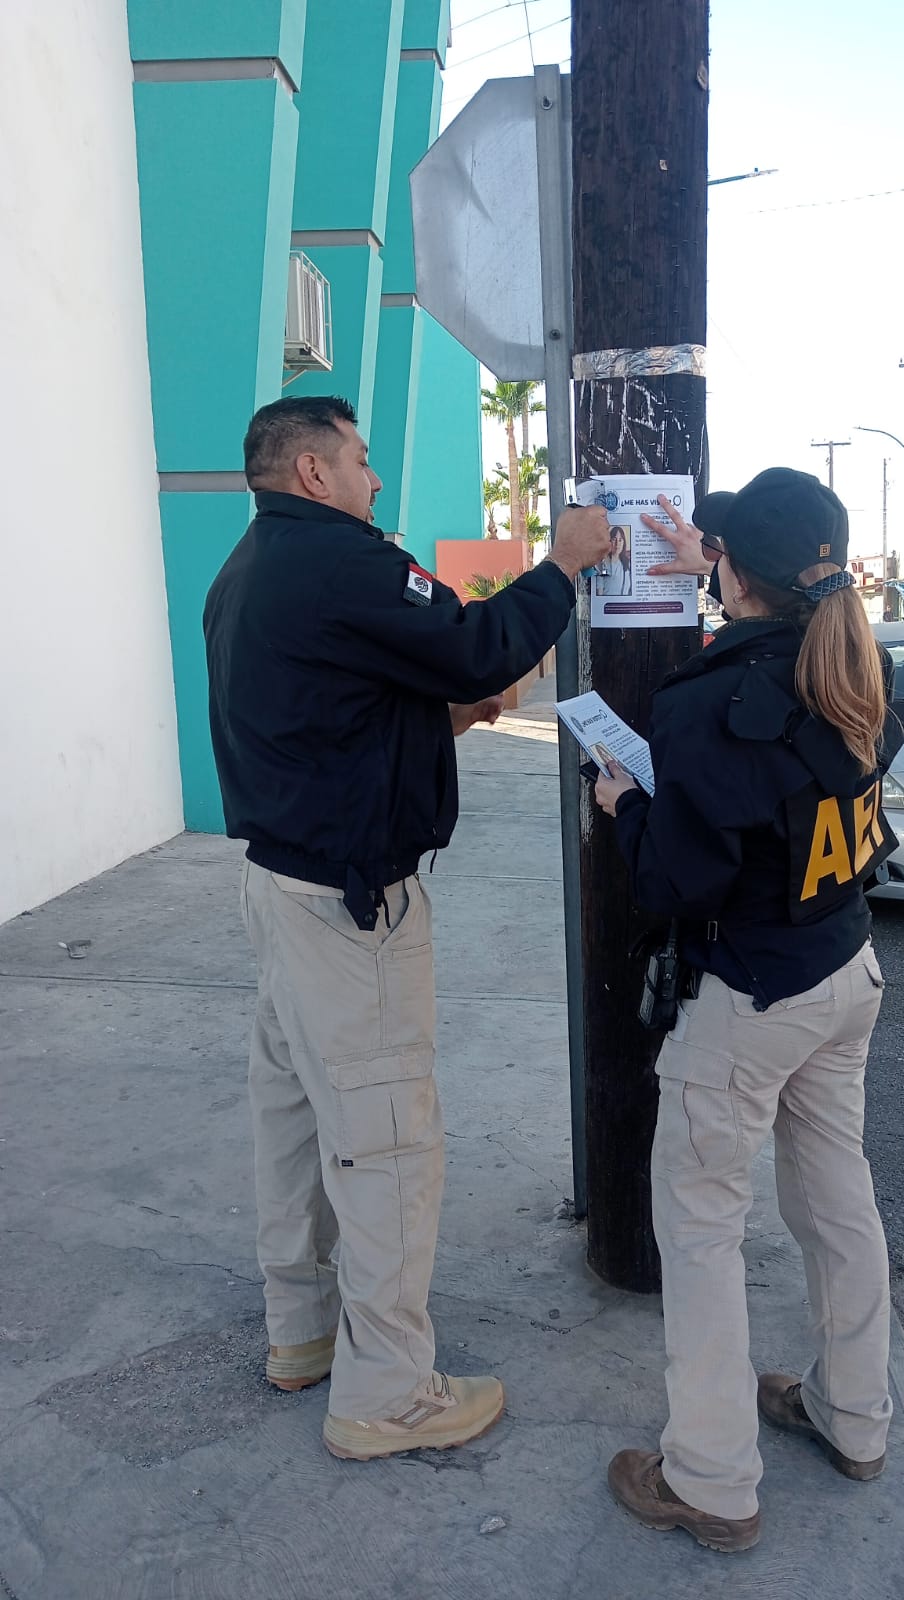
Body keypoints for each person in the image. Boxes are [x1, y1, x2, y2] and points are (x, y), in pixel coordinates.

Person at [202, 395, 610, 1461]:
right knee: (387, 1145)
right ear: (312, 471)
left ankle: (302, 1333)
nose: (374, 479)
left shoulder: (247, 568)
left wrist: (439, 720)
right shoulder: (343, 560)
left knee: (295, 1124)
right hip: (349, 913)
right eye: (360, 460)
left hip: (281, 891)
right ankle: (385, 1393)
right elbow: (478, 648)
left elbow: (322, 719)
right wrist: (563, 564)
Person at [593, 468, 904, 1553]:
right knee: (836, 1201)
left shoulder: (705, 703)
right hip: (844, 971)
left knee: (700, 1229)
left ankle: (712, 1480)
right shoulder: (855, 658)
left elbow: (676, 879)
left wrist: (626, 804)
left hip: (751, 997)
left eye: (718, 555)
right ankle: (856, 1416)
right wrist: (723, 571)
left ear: (735, 574)